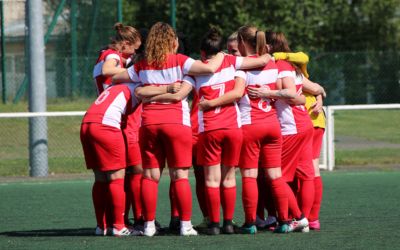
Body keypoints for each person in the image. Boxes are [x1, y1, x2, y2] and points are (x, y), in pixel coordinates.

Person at [112, 22, 227, 237]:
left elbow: (116, 77)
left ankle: (148, 226)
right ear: (172, 41)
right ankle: (185, 225)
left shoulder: (142, 65)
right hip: (176, 123)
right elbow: (210, 67)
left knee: (150, 176)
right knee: (180, 176)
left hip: (149, 124)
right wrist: (222, 53)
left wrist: (144, 90)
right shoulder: (181, 61)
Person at [191, 28, 272, 235]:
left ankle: (215, 224)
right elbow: (261, 61)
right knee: (228, 179)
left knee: (211, 179)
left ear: (202, 53)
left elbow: (180, 90)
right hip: (233, 128)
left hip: (210, 129)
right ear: (222, 51)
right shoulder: (233, 64)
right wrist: (272, 52)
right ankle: (228, 223)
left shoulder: (195, 69)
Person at [263, 31, 324, 232]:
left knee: (278, 174)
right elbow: (316, 88)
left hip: (291, 126)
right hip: (303, 123)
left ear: (270, 47)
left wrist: (268, 93)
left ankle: (295, 217)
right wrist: (320, 96)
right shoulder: (292, 66)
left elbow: (291, 95)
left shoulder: (281, 66)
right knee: (306, 174)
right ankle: (305, 219)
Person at [91, 22, 142, 234]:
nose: (136, 52)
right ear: (126, 44)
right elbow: (108, 69)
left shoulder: (108, 55)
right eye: (135, 48)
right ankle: (127, 222)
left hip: (102, 117)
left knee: (104, 177)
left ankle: (104, 224)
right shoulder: (112, 56)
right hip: (119, 122)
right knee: (132, 172)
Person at [80, 83, 141, 237]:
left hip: (87, 124)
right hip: (106, 126)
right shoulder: (137, 85)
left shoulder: (116, 86)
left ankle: (102, 226)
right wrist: (168, 89)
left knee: (100, 178)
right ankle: (119, 226)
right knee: (117, 179)